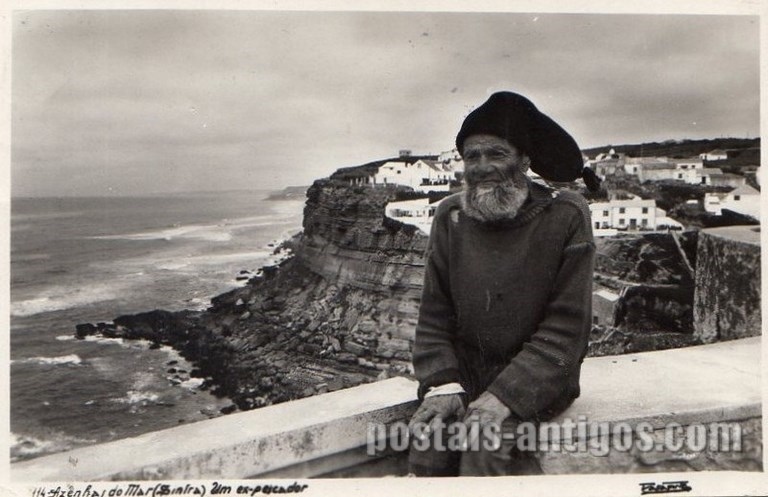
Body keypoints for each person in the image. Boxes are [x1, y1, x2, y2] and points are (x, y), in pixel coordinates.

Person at [407, 91, 600, 476]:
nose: (482, 167)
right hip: (464, 378)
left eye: (496, 154)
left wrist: (505, 397)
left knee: (483, 451)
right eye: (472, 156)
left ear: (524, 161)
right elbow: (434, 313)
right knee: (428, 446)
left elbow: (567, 327)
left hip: (537, 380)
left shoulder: (565, 214)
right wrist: (443, 385)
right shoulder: (449, 215)